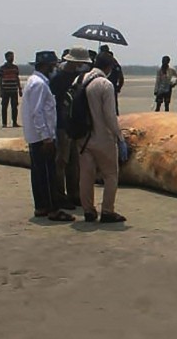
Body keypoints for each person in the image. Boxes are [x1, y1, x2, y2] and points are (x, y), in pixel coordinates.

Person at [20, 51, 74, 222]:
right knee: (47, 173)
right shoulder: (39, 85)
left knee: (38, 173)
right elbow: (37, 113)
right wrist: (47, 138)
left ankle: (41, 206)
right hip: (41, 137)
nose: (55, 68)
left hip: (36, 136)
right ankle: (52, 209)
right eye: (53, 65)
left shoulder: (35, 81)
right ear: (45, 66)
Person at [78, 54, 127, 223]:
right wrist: (120, 137)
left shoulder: (80, 80)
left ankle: (88, 211)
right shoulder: (105, 84)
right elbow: (109, 116)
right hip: (103, 138)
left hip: (83, 138)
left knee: (86, 175)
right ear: (109, 67)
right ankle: (107, 211)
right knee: (111, 174)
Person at [49, 47, 92, 208]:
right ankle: (60, 196)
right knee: (61, 161)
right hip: (61, 124)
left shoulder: (77, 77)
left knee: (75, 161)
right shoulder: (58, 79)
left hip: (74, 125)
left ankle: (74, 194)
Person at [0, 51, 22, 128]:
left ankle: (14, 122)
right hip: (5, 89)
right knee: (4, 107)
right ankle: (4, 123)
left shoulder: (15, 67)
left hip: (14, 89)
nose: (12, 58)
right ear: (6, 58)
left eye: (13, 56)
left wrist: (20, 88)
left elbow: (17, 78)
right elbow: (0, 79)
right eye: (10, 57)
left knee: (14, 106)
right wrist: (1, 90)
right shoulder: (2, 68)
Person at [100, 44, 124, 115]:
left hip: (104, 86)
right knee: (113, 107)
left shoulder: (102, 62)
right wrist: (118, 87)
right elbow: (121, 78)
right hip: (112, 87)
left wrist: (118, 87)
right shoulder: (115, 63)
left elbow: (121, 77)